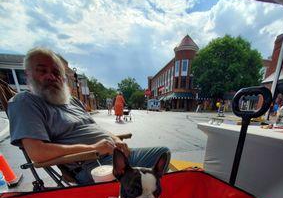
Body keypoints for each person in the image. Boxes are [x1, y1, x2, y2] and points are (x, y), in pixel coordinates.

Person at [8, 47, 171, 184]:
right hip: (93, 164)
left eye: (56, 73)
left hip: (114, 155)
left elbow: (97, 130)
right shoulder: (25, 102)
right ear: (28, 74)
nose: (51, 76)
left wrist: (116, 140)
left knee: (162, 153)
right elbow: (37, 153)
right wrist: (94, 148)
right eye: (42, 70)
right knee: (147, 179)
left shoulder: (72, 101)